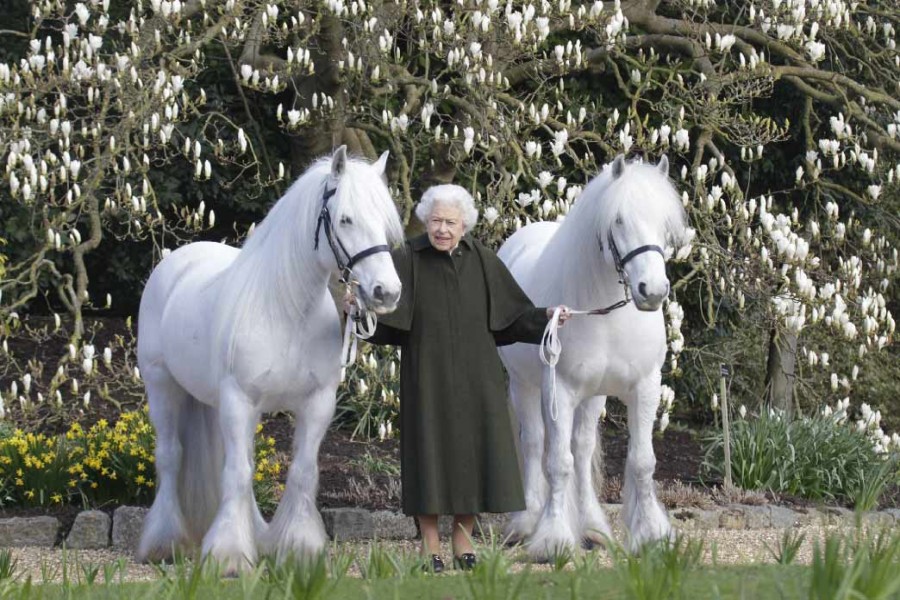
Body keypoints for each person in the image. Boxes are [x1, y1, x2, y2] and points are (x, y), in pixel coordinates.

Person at [347, 184, 570, 572]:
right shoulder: (407, 259)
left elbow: (513, 318)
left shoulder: (483, 260)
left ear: (464, 224)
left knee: (474, 458)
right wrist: (358, 312)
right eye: (435, 221)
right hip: (426, 377)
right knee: (427, 458)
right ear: (425, 221)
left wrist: (548, 316)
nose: (442, 229)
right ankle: (430, 547)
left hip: (477, 377)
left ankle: (463, 542)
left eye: (450, 222)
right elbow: (386, 324)